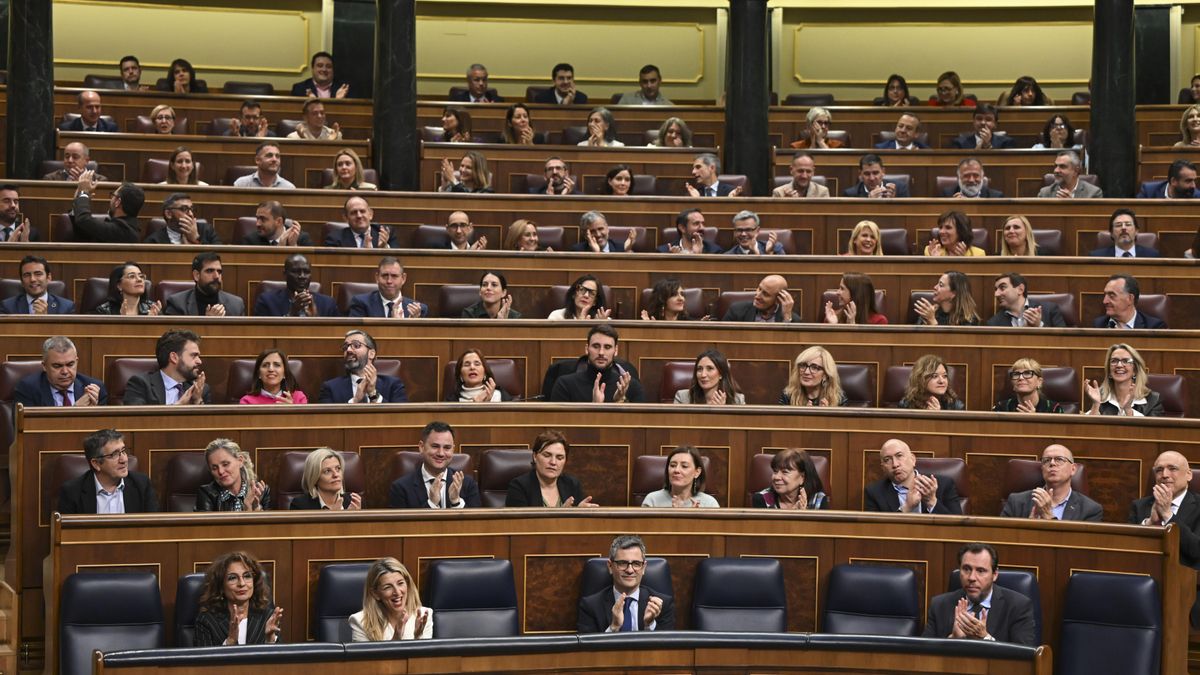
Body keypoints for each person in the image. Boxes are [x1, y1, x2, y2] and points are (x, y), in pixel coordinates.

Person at [922, 543, 1036, 646]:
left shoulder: (1018, 606)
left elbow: (1023, 659)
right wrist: (953, 639)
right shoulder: (940, 605)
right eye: (966, 569)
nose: (971, 577)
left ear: (995, 574)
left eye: (980, 571)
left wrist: (985, 637)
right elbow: (923, 655)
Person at [577, 535, 675, 633]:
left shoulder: (662, 605)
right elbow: (588, 647)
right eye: (622, 563)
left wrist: (649, 625)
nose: (629, 570)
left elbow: (668, 647)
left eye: (636, 563)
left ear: (644, 567)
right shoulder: (590, 606)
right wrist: (614, 627)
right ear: (610, 566)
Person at [57, 428, 158, 514]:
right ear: (96, 464)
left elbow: (153, 530)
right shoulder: (72, 492)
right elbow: (68, 535)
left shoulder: (142, 485)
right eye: (114, 454)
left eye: (123, 451)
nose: (123, 460)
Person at [193, 551, 283, 646]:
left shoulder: (268, 617)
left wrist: (269, 639)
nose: (242, 583)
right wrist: (230, 640)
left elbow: (280, 659)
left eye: (247, 576)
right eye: (232, 578)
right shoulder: (207, 621)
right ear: (221, 586)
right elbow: (204, 660)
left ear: (254, 582)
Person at [1128, 451, 1200, 566]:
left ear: (1189, 475)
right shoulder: (1139, 506)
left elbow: (1196, 551)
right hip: (1143, 572)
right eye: (1159, 470)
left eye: (1172, 469)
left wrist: (1167, 515)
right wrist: (1150, 522)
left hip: (1186, 577)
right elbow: (1127, 548)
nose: (1165, 474)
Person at [388, 421, 481, 508]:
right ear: (421, 447)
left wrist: (456, 502)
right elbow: (402, 525)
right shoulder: (401, 488)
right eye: (435, 446)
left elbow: (478, 524)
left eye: (447, 448)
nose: (441, 453)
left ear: (453, 449)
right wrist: (431, 504)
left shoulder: (468, 485)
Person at [1001, 445, 1101, 520]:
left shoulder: (1090, 510)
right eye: (1046, 460)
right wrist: (1028, 527)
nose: (1052, 463)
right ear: (1042, 468)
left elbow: (1081, 546)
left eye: (1059, 459)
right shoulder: (1016, 502)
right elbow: (1002, 540)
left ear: (1073, 469)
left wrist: (1048, 516)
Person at [549, 324, 645, 403]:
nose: (601, 353)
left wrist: (619, 402)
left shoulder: (631, 387)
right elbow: (558, 425)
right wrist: (594, 408)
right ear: (587, 349)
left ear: (615, 351)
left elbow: (638, 424)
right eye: (596, 346)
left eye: (607, 347)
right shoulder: (565, 385)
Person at [865, 439, 963, 513]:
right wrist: (906, 507)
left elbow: (958, 529)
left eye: (899, 456)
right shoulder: (874, 493)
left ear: (913, 459)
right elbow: (878, 532)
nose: (895, 464)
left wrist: (931, 501)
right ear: (883, 468)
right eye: (887, 460)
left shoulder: (944, 485)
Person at [349, 558, 432, 641]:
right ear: (375, 593)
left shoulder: (423, 615)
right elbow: (366, 654)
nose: (397, 592)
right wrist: (396, 638)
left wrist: (418, 637)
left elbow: (427, 653)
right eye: (388, 587)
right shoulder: (360, 622)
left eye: (400, 583)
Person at [506, 429, 595, 506]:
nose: (553, 462)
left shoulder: (572, 484)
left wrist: (580, 514)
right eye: (547, 455)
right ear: (535, 456)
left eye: (559, 457)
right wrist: (563, 515)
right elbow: (520, 525)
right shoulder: (519, 487)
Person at [122, 329, 210, 405]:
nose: (199, 361)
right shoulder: (141, 384)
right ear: (174, 357)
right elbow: (136, 421)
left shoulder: (201, 390)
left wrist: (197, 401)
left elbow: (211, 423)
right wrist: (178, 406)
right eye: (193, 355)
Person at [318, 329, 408, 403]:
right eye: (345, 347)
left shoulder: (393, 385)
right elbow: (326, 421)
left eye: (356, 345)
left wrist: (373, 394)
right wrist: (355, 400)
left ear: (371, 354)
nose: (348, 350)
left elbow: (401, 419)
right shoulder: (330, 388)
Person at [16, 336, 107, 407]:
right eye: (57, 366)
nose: (65, 371)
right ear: (44, 366)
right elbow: (29, 428)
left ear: (77, 362)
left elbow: (103, 429)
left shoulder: (94, 390)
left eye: (70, 364)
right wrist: (75, 410)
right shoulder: (28, 389)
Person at [1085, 343, 1164, 416]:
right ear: (1109, 371)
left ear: (1135, 370)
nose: (1119, 365)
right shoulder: (1100, 397)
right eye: (1114, 361)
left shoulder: (1153, 400)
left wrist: (1128, 410)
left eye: (1125, 361)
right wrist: (1095, 405)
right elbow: (1086, 429)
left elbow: (1152, 431)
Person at [196, 439, 271, 511]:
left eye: (225, 464)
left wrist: (254, 508)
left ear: (240, 461)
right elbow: (206, 524)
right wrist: (247, 510)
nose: (221, 471)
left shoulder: (261, 491)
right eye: (214, 468)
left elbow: (269, 524)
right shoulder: (206, 493)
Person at [253, 254, 339, 318]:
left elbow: (335, 334)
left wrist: (316, 319)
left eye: (306, 272)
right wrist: (291, 313)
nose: (302, 276)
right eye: (296, 271)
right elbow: (263, 333)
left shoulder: (328, 303)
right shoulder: (267, 301)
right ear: (285, 275)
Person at [163, 252, 246, 316]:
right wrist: (206, 323)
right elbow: (175, 337)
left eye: (219, 272)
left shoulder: (236, 305)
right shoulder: (178, 304)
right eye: (210, 271)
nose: (216, 276)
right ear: (196, 275)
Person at [70, 171, 144, 243]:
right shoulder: (127, 227)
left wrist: (84, 193)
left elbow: (84, 219)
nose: (110, 199)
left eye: (113, 195)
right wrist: (78, 199)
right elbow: (85, 231)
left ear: (118, 202)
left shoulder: (123, 230)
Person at [348, 257, 427, 318]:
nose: (389, 281)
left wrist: (411, 324)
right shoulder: (361, 304)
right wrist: (393, 325)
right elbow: (357, 336)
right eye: (385, 275)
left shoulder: (419, 310)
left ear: (403, 278)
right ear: (377, 277)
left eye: (394, 276)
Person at [642, 446, 719, 508]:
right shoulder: (652, 501)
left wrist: (694, 519)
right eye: (672, 465)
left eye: (684, 466)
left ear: (697, 472)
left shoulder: (710, 504)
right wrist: (676, 516)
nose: (676, 470)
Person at [752, 448, 828, 509]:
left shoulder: (818, 501)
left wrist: (804, 516)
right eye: (775, 471)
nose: (776, 477)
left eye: (785, 472)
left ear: (802, 477)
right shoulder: (762, 499)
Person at [290, 447, 361, 510]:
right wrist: (333, 516)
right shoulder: (300, 505)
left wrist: (353, 517)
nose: (336, 475)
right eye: (327, 471)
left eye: (338, 469)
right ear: (315, 478)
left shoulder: (354, 502)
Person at [987, 272, 1067, 328]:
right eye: (996, 289)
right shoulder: (993, 323)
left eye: (1002, 287)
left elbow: (1064, 341)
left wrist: (1039, 326)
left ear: (1020, 289)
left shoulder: (1049, 310)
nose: (996, 294)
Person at [0, 255, 74, 314]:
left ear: (48, 277)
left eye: (38, 274)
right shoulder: (7, 307)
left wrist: (45, 320)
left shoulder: (66, 307)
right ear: (22, 281)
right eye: (27, 275)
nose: (32, 279)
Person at [992, 358, 1066, 413]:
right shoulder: (1001, 408)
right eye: (1016, 374)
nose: (1020, 378)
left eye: (1027, 373)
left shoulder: (1054, 409)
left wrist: (1034, 420)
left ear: (1039, 382)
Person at [1093, 274, 1166, 329]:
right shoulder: (1098, 325)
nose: (1105, 301)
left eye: (1112, 295)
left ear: (1130, 298)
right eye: (1105, 295)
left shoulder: (1154, 327)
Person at [780, 346, 845, 407]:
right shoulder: (788, 396)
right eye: (803, 365)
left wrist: (826, 416)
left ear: (825, 374)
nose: (806, 372)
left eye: (814, 367)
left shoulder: (839, 398)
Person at [674, 349, 745, 405]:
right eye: (699, 369)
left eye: (710, 368)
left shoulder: (738, 400)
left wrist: (722, 412)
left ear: (721, 374)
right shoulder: (682, 398)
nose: (703, 375)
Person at [239, 348, 309, 405]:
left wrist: (292, 410)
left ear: (284, 373)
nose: (271, 369)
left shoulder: (298, 398)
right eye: (265, 365)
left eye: (277, 365)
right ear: (259, 374)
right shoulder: (247, 402)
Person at [146, 192, 218, 245]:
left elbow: (218, 258)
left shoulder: (207, 231)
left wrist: (196, 240)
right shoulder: (154, 241)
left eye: (191, 209)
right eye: (184, 209)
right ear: (168, 214)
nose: (191, 214)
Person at [898, 354, 965, 410]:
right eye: (935, 376)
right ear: (921, 379)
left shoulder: (955, 406)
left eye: (944, 376)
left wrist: (940, 416)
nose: (941, 381)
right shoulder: (906, 405)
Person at [722, 274, 798, 323]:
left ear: (778, 299)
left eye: (765, 294)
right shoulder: (736, 311)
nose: (757, 296)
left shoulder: (792, 319)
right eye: (759, 289)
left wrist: (786, 318)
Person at [93, 262, 161, 315]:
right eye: (132, 276)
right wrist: (121, 322)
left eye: (141, 276)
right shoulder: (104, 311)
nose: (139, 280)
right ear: (119, 285)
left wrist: (150, 322)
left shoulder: (153, 309)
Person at [915, 271, 980, 327]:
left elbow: (949, 341)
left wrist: (932, 321)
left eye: (941, 285)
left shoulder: (969, 319)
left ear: (954, 293)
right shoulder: (930, 312)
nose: (935, 287)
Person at [446, 348, 512, 402]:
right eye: (467, 364)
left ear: (485, 373)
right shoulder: (451, 401)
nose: (472, 367)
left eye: (477, 364)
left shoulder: (500, 396)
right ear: (460, 375)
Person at [328, 195, 396, 248]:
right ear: (346, 218)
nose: (359, 216)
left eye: (362, 211)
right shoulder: (335, 238)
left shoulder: (386, 233)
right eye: (354, 212)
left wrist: (383, 249)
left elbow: (397, 261)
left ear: (370, 214)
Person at [1089, 208, 1160, 258]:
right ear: (1111, 233)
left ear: (1136, 231)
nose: (1123, 228)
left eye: (1128, 224)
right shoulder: (1097, 257)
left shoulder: (1152, 256)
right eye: (1118, 225)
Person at [242, 200, 312, 246]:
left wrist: (293, 246)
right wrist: (279, 249)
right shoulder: (250, 241)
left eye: (263, 219)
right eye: (257, 218)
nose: (257, 224)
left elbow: (307, 266)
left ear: (278, 221)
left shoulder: (302, 238)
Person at [1038, 151, 1102, 198]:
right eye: (1055, 166)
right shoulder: (1044, 193)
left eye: (1062, 166)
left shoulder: (1093, 193)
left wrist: (1071, 206)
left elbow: (1092, 216)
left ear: (1076, 171)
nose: (1056, 170)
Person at [950, 105, 1016, 150]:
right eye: (979, 118)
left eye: (988, 119)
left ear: (995, 124)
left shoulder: (1006, 142)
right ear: (973, 122)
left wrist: (988, 145)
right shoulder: (959, 143)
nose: (983, 123)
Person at [844, 154, 909, 198]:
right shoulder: (850, 194)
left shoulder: (900, 189)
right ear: (860, 174)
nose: (872, 178)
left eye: (875, 173)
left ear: (883, 172)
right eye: (867, 174)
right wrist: (868, 202)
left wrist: (893, 201)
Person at [940, 158, 1004, 198]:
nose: (971, 180)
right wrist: (953, 206)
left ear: (982, 176)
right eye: (966, 176)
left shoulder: (996, 197)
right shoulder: (947, 195)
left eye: (976, 175)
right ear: (959, 177)